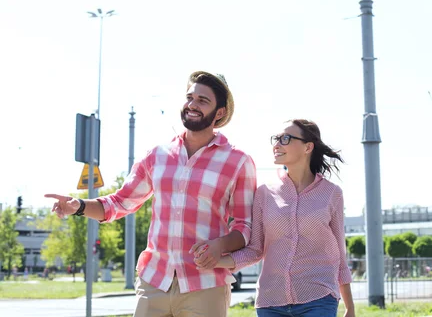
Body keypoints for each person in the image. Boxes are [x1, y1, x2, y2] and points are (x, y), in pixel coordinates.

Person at [45, 71, 257, 317]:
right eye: (190, 97)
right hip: (154, 282)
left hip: (206, 285)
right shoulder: (157, 155)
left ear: (219, 113)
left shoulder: (238, 161)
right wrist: (79, 206)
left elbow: (245, 227)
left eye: (203, 100)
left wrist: (219, 245)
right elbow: (120, 202)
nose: (192, 104)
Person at [192, 119, 355, 317]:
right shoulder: (264, 193)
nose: (277, 145)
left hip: (318, 299)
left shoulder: (331, 194)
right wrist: (216, 260)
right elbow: (254, 250)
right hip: (271, 303)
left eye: (285, 138)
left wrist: (350, 308)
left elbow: (339, 255)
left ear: (308, 147)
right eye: (276, 139)